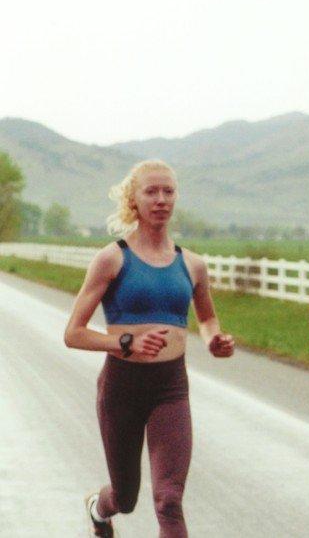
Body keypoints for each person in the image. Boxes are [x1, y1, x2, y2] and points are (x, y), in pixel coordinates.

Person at [64, 160, 235, 538]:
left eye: (168, 191)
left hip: (170, 388)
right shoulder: (112, 258)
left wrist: (215, 340)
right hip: (121, 388)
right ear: (134, 200)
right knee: (125, 498)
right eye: (151, 191)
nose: (161, 199)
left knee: (169, 500)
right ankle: (99, 508)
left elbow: (207, 319)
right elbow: (73, 333)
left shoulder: (192, 264)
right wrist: (125, 343)